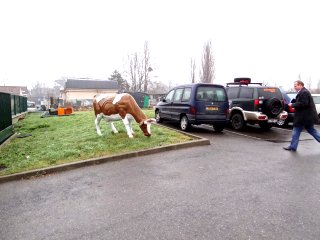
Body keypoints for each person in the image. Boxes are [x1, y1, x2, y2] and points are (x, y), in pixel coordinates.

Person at [283, 80, 320, 151]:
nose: (294, 87)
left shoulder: (304, 92)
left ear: (300, 85)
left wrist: (293, 105)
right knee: (312, 131)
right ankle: (292, 146)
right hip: (307, 117)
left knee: (296, 131)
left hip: (304, 117)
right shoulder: (303, 92)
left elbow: (304, 103)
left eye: (295, 86)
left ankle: (292, 147)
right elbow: (302, 102)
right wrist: (294, 101)